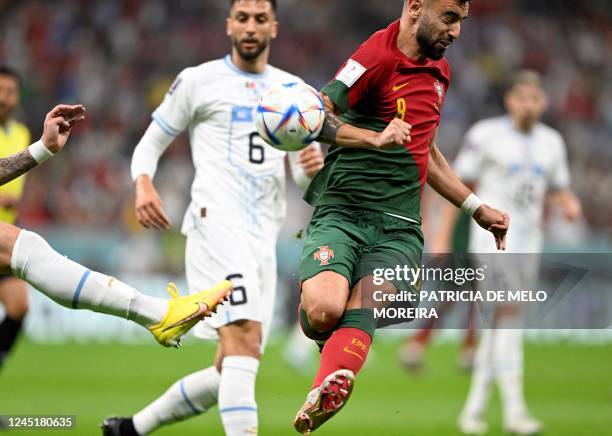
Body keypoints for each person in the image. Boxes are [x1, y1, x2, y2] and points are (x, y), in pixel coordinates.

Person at [101, 1, 324, 435]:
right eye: (242, 17)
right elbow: (149, 144)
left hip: (262, 236)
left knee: (235, 363)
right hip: (215, 224)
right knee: (242, 339)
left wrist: (309, 166)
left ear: (273, 27)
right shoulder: (199, 81)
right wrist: (143, 182)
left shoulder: (293, 90)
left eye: (260, 18)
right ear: (229, 25)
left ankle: (130, 429)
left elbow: (302, 174)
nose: (250, 26)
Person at [292, 0, 511, 433]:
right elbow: (318, 118)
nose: (456, 32)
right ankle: (328, 339)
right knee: (324, 309)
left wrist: (476, 207)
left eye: (461, 22)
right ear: (415, 7)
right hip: (343, 209)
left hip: (400, 227)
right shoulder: (372, 56)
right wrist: (375, 139)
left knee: (369, 304)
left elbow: (425, 151)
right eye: (449, 18)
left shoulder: (439, 74)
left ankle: (325, 391)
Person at [0, 102, 231, 352]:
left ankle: (159, 314)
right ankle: (159, 314)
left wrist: (43, 148)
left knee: (17, 248)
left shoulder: (19, 132)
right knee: (18, 248)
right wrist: (42, 149)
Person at [452, 70, 581, 435]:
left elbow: (556, 187)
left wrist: (567, 201)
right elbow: (458, 183)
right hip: (491, 241)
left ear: (544, 102)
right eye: (522, 97)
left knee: (503, 325)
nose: (529, 104)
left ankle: (474, 411)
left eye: (535, 98)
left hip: (529, 243)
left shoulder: (552, 142)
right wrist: (444, 234)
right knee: (507, 318)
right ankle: (514, 412)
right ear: (510, 100)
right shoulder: (485, 135)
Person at [0, 66, 31, 373]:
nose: (3, 98)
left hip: (5, 236)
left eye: (9, 92)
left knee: (19, 306)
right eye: (0, 90)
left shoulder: (21, 133)